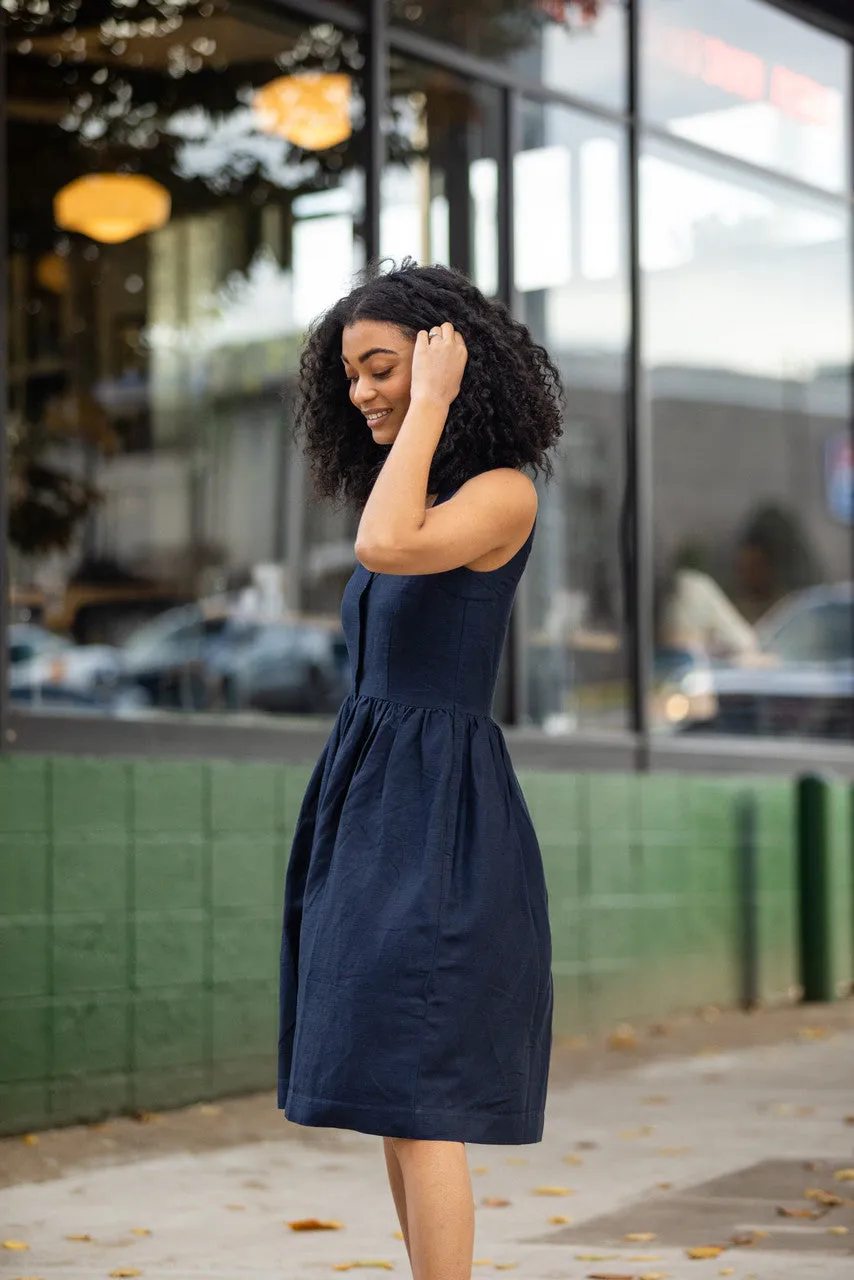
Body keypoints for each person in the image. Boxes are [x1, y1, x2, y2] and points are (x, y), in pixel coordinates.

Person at [278, 260, 563, 1280]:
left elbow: (385, 541)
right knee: (389, 1091)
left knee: (417, 1089)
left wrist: (432, 400)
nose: (360, 393)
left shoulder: (500, 492)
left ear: (446, 360)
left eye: (382, 367)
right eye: (349, 374)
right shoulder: (428, 483)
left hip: (439, 814)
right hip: (369, 795)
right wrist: (416, 417)